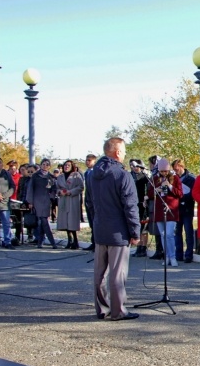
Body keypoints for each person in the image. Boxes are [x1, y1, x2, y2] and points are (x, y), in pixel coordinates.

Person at [85, 137, 140, 321]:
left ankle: (102, 309)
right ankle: (118, 311)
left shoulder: (92, 174)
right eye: (123, 151)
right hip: (118, 232)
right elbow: (130, 206)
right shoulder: (122, 175)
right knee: (117, 274)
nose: (124, 154)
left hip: (100, 229)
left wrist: (95, 225)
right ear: (117, 152)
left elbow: (89, 204)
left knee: (100, 274)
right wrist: (135, 232)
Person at [147, 158, 182, 267]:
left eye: (165, 171)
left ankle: (173, 257)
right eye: (162, 171)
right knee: (162, 235)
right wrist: (156, 190)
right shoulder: (155, 178)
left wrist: (170, 186)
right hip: (159, 210)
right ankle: (166, 256)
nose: (164, 173)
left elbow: (180, 194)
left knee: (169, 234)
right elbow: (149, 193)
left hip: (171, 210)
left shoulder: (175, 178)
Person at [26, 159, 58, 249]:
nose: (45, 166)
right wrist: (30, 201)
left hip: (46, 201)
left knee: (42, 222)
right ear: (40, 165)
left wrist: (51, 195)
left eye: (47, 164)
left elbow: (54, 189)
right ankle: (52, 242)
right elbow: (30, 189)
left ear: (49, 166)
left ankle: (40, 242)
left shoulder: (51, 177)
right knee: (43, 221)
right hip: (37, 200)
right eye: (43, 164)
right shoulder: (35, 176)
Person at [55, 160, 85, 249]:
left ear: (72, 166)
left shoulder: (76, 175)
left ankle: (75, 241)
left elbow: (81, 187)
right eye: (65, 165)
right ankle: (69, 240)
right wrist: (60, 192)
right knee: (65, 221)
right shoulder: (60, 177)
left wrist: (70, 192)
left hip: (72, 199)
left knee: (72, 221)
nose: (66, 167)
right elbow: (56, 188)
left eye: (68, 165)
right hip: (63, 200)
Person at [172, 158, 196, 263]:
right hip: (176, 209)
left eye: (176, 168)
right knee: (177, 232)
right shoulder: (173, 178)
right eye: (174, 169)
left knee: (188, 232)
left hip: (187, 208)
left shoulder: (191, 178)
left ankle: (189, 255)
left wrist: (182, 196)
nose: (175, 171)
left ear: (181, 166)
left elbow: (193, 193)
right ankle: (179, 254)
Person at [81, 154, 98, 251]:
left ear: (94, 162)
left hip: (94, 201)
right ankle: (93, 242)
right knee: (91, 223)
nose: (87, 162)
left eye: (89, 160)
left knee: (95, 223)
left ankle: (97, 243)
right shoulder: (87, 173)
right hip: (88, 200)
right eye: (86, 160)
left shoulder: (95, 172)